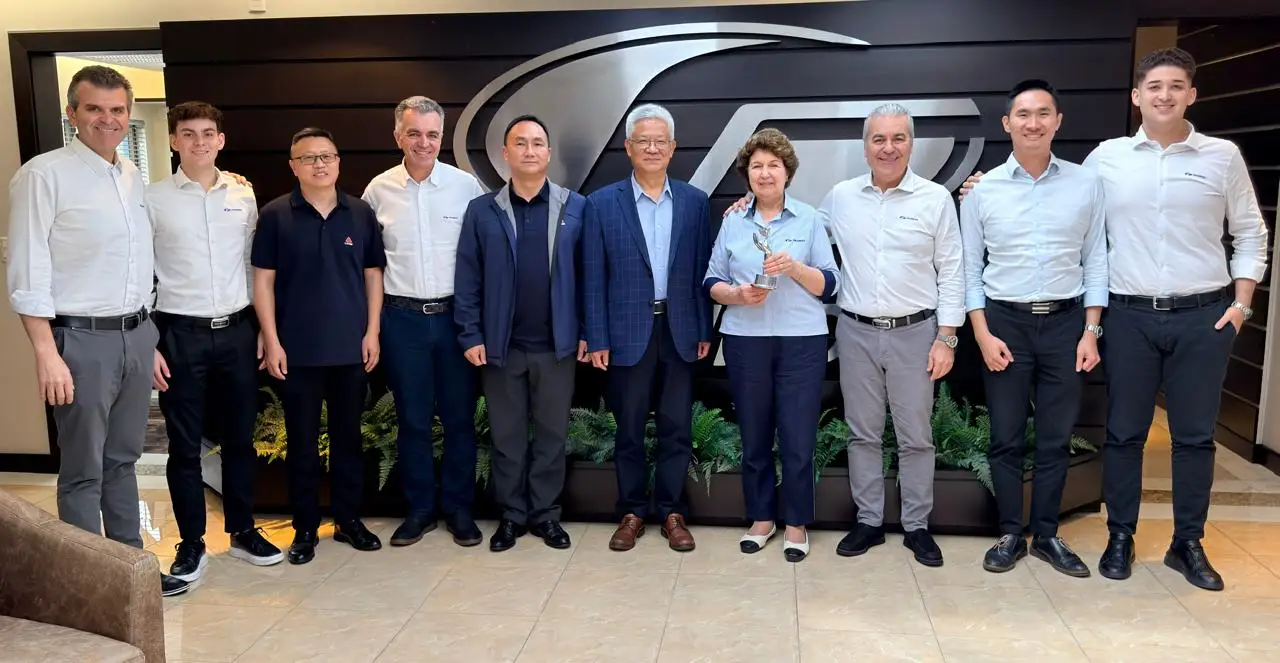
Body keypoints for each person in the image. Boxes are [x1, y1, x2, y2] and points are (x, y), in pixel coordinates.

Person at [1085, 49, 1266, 590]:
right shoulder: (1107, 158)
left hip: (1204, 317)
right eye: (1154, 86)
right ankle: (1121, 535)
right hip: (1128, 317)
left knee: (1194, 437)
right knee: (1124, 434)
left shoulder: (1221, 156)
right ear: (1136, 96)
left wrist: (1241, 305)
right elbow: (1068, 211)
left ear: (1192, 94)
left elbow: (1251, 232)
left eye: (1175, 86)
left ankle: (1187, 543)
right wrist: (983, 188)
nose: (1164, 95)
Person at [6, 65, 188, 596]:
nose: (107, 119)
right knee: (84, 468)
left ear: (128, 114)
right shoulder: (43, 175)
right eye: (94, 109)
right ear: (73, 114)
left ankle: (131, 571)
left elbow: (136, 262)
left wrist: (146, 336)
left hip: (136, 334)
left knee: (123, 460)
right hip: (79, 340)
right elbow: (28, 270)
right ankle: (88, 584)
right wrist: (46, 352)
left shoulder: (130, 175)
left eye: (117, 110)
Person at [961, 79, 1107, 578]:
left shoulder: (1086, 184)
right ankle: (1009, 533)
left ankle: (1046, 534)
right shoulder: (982, 191)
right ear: (1007, 123)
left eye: (1043, 113)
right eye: (1023, 114)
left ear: (1058, 121)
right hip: (1004, 323)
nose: (1033, 123)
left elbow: (1097, 259)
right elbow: (969, 269)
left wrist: (1091, 330)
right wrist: (982, 334)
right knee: (1005, 436)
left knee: (1054, 437)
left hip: (1067, 323)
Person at [148, 101, 284, 583]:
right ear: (173, 141)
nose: (199, 142)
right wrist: (148, 343)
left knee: (240, 440)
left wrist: (264, 330)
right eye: (188, 134)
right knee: (184, 447)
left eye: (208, 133)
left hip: (237, 332)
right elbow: (140, 272)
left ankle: (243, 530)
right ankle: (191, 543)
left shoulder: (242, 194)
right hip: (179, 334)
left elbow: (253, 265)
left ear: (221, 140)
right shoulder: (152, 198)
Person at [823, 104, 964, 567]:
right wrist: (751, 204)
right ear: (865, 147)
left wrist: (946, 337)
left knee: (916, 437)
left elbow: (952, 270)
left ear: (911, 144)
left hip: (916, 334)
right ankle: (868, 522)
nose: (889, 147)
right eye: (879, 139)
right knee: (862, 434)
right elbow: (799, 227)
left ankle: (917, 526)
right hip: (856, 332)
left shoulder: (934, 199)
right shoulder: (841, 197)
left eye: (898, 138)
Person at [251, 127, 386, 565]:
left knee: (349, 440)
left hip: (351, 349)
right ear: (294, 167)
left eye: (326, 156)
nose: (319, 164)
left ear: (338, 162)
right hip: (297, 352)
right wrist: (272, 339)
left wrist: (372, 332)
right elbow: (263, 281)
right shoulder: (275, 215)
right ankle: (305, 527)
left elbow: (373, 276)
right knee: (303, 444)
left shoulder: (360, 213)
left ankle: (348, 520)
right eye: (308, 158)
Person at [453, 114, 587, 553]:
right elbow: (468, 277)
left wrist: (586, 331)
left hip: (557, 348)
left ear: (548, 152)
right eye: (520, 143)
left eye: (537, 143)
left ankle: (546, 516)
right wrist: (471, 334)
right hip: (501, 347)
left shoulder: (574, 207)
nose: (529, 151)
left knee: (551, 437)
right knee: (507, 439)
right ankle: (511, 516)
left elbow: (589, 276)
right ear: (505, 153)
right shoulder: (483, 210)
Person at [583, 103, 712, 553]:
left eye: (660, 141)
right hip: (625, 333)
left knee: (677, 426)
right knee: (629, 428)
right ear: (628, 147)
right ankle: (633, 511)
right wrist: (597, 336)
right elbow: (593, 276)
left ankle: (672, 512)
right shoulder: (601, 203)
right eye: (644, 141)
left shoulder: (695, 202)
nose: (652, 148)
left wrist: (703, 328)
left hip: (680, 331)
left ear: (673, 148)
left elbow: (702, 270)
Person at [704, 128, 836, 562]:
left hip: (802, 341)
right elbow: (711, 281)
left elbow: (830, 284)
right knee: (754, 433)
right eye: (757, 166)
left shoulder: (809, 219)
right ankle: (762, 518)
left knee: (797, 437)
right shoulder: (733, 221)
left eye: (773, 165)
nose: (765, 173)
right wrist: (737, 294)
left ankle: (796, 522)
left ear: (787, 172)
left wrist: (795, 268)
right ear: (747, 174)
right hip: (746, 341)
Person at [362, 96, 487, 548]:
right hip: (402, 320)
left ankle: (459, 509)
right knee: (412, 420)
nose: (424, 142)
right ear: (398, 136)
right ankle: (419, 510)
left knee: (459, 420)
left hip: (455, 320)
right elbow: (368, 264)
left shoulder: (465, 187)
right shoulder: (378, 191)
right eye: (414, 133)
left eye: (432, 134)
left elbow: (483, 256)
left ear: (442, 137)